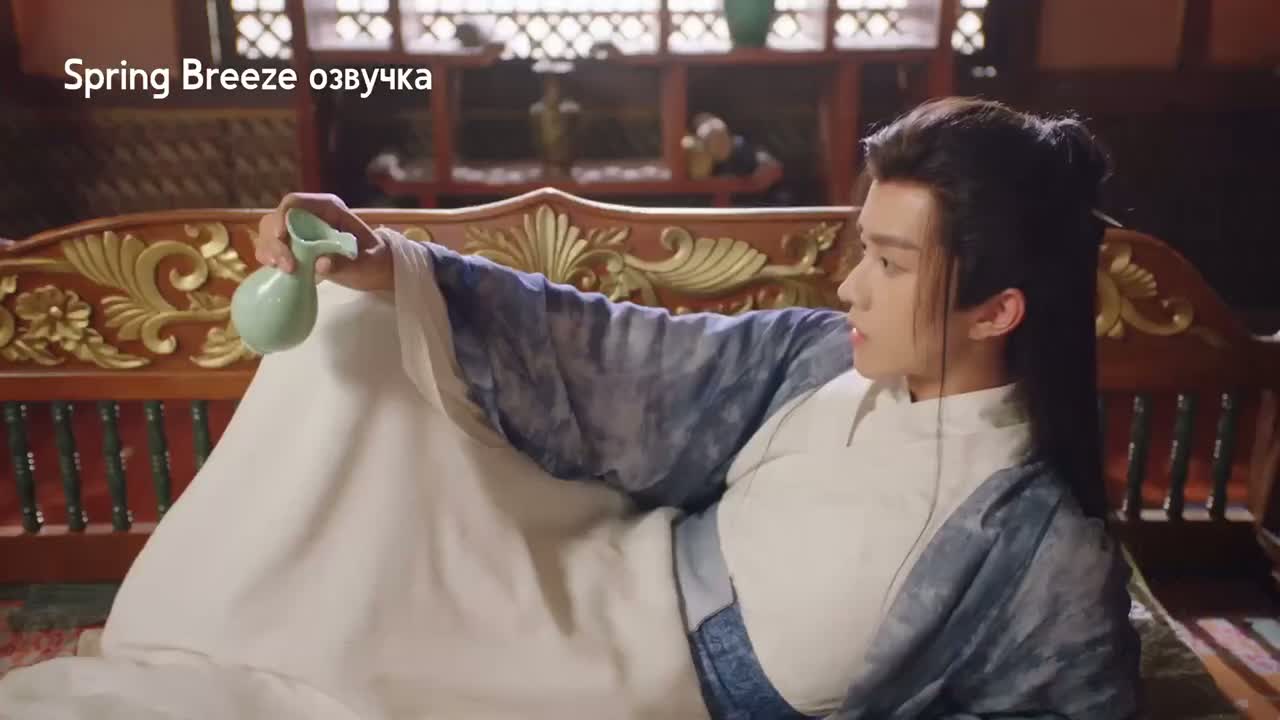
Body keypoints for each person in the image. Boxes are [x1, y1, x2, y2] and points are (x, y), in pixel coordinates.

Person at [0, 98, 1140, 719]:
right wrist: (383, 260)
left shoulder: (1039, 552)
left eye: (890, 264)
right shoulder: (814, 358)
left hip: (640, 688)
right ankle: (208, 618)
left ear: (997, 309)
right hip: (603, 568)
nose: (849, 287)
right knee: (359, 328)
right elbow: (622, 353)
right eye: (860, 251)